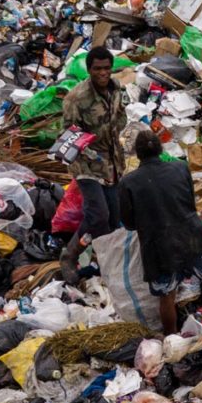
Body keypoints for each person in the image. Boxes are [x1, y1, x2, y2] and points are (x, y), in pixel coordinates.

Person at [118, 130, 202, 335]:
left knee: (167, 295)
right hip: (191, 233)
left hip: (158, 246)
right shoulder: (180, 167)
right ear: (160, 148)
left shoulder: (128, 183)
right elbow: (190, 202)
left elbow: (129, 224)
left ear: (137, 155)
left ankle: (171, 338)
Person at [59, 46, 128, 283]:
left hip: (112, 161)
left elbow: (121, 116)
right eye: (97, 69)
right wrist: (87, 148)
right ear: (89, 70)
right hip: (86, 164)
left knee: (112, 217)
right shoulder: (77, 98)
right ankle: (69, 255)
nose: (103, 73)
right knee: (98, 214)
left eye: (107, 68)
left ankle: (104, 261)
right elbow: (67, 134)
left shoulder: (117, 89)